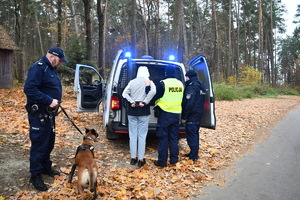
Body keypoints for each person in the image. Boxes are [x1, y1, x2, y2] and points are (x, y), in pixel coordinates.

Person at [24, 47, 69, 191]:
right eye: (60, 60)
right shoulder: (39, 68)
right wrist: (49, 100)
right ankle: (35, 175)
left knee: (49, 143)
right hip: (39, 115)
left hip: (49, 115)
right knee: (39, 144)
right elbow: (29, 89)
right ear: (52, 57)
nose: (61, 63)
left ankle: (45, 167)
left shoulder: (50, 69)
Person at [122, 66, 156, 167]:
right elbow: (153, 91)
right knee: (142, 136)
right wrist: (145, 101)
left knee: (132, 135)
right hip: (143, 110)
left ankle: (133, 158)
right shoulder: (149, 81)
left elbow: (124, 93)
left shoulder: (132, 82)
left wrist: (131, 101)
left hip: (132, 110)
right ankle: (141, 159)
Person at [153, 65, 184, 167]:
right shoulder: (180, 84)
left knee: (163, 138)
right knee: (174, 138)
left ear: (166, 73)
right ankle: (174, 161)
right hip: (176, 114)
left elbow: (155, 96)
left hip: (165, 114)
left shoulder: (163, 83)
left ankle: (162, 162)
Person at [181, 70, 206, 161]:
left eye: (186, 77)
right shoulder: (200, 85)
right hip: (198, 113)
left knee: (192, 135)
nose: (186, 78)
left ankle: (194, 156)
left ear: (189, 77)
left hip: (192, 115)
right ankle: (193, 153)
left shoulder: (192, 87)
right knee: (195, 134)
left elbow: (189, 103)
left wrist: (185, 116)